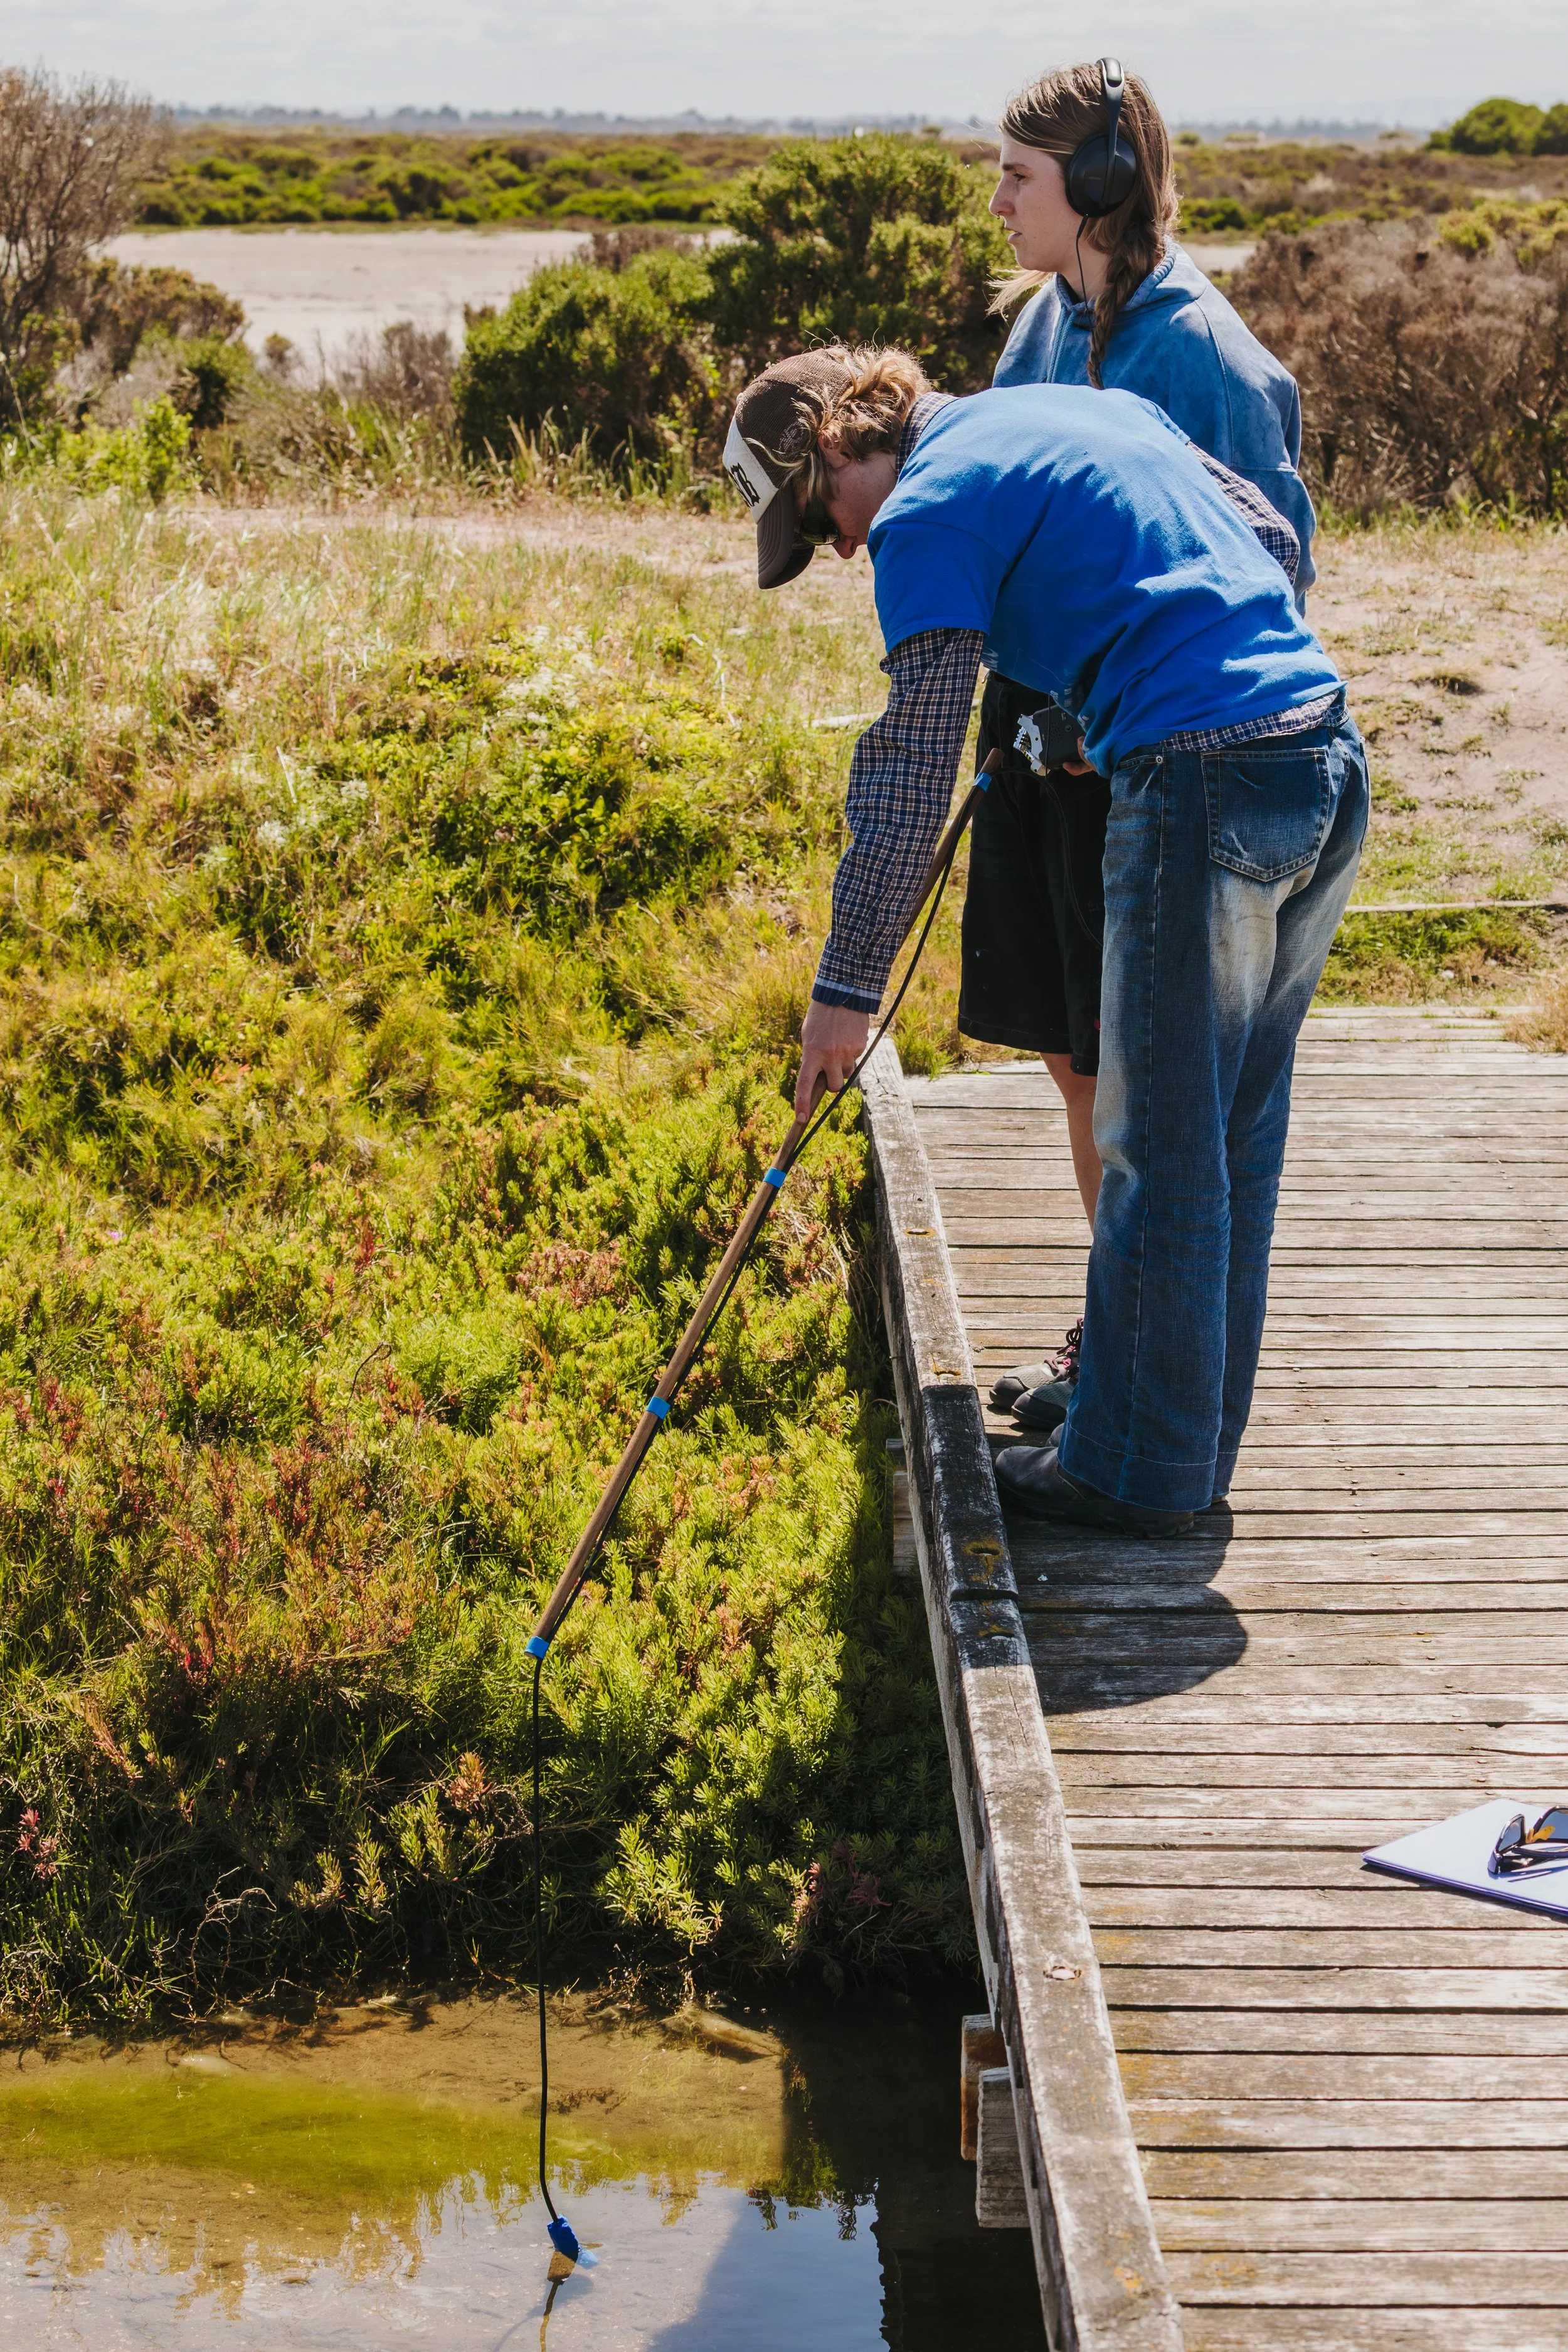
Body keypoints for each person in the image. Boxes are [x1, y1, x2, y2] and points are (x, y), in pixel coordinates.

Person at [719, 345, 1366, 1534]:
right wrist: (1091, 707)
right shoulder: (1065, 407)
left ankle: (1131, 1471)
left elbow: (913, 766)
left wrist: (845, 991)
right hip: (1319, 756)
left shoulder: (920, 511)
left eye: (820, 523)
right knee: (1228, 1138)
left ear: (826, 447)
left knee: (1153, 1145)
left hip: (1203, 781)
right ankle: (1184, 1446)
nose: (847, 551)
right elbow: (1270, 535)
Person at [966, 59, 1319, 1439]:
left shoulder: (1203, 355)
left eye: (1016, 177)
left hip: (1158, 756)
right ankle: (1104, 1334)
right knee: (1076, 1060)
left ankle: (1141, 1379)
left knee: (1152, 1086)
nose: (994, 201)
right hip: (1043, 737)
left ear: (1100, 189)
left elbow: (1271, 568)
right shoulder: (1038, 328)